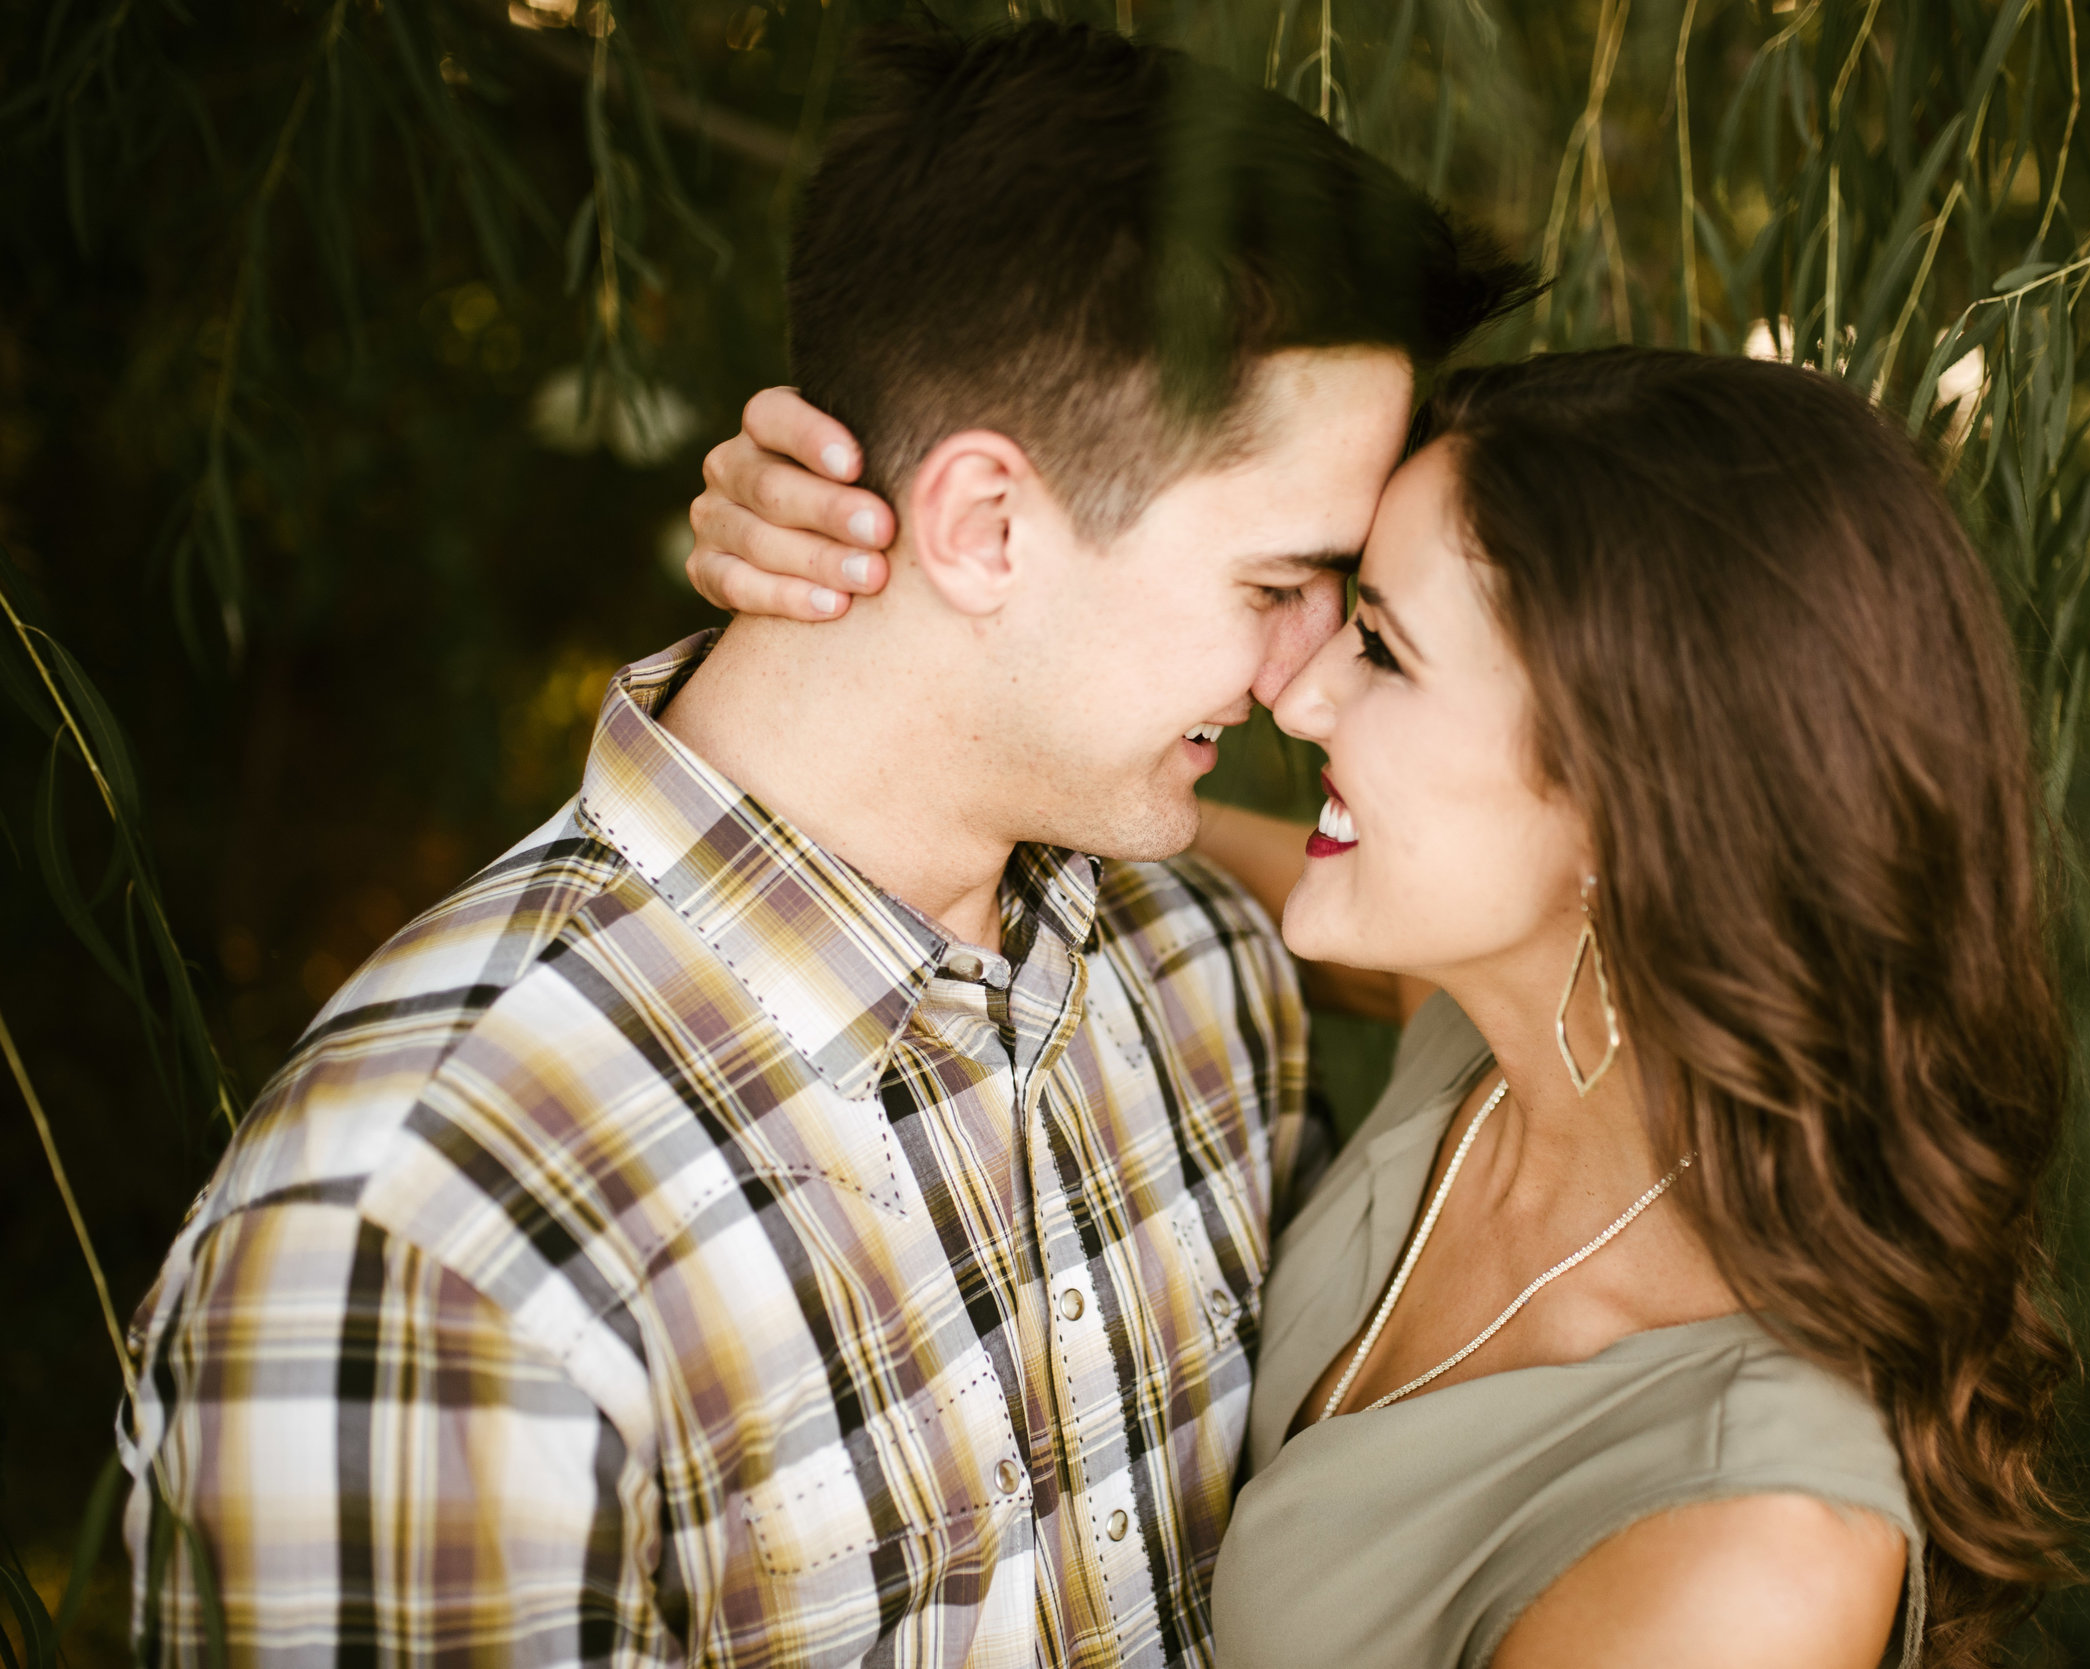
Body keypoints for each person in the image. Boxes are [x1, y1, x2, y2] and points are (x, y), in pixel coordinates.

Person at [115, 22, 1531, 1667]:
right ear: (986, 523)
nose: (1303, 676)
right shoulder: (426, 1250)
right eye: (1276, 585)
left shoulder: (1202, 968)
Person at [687, 349, 2081, 1665]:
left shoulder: (1747, 1555)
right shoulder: (1503, 1024)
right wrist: (871, 626)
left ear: (1631, 799)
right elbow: (1165, 843)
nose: (1297, 692)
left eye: (1387, 649)